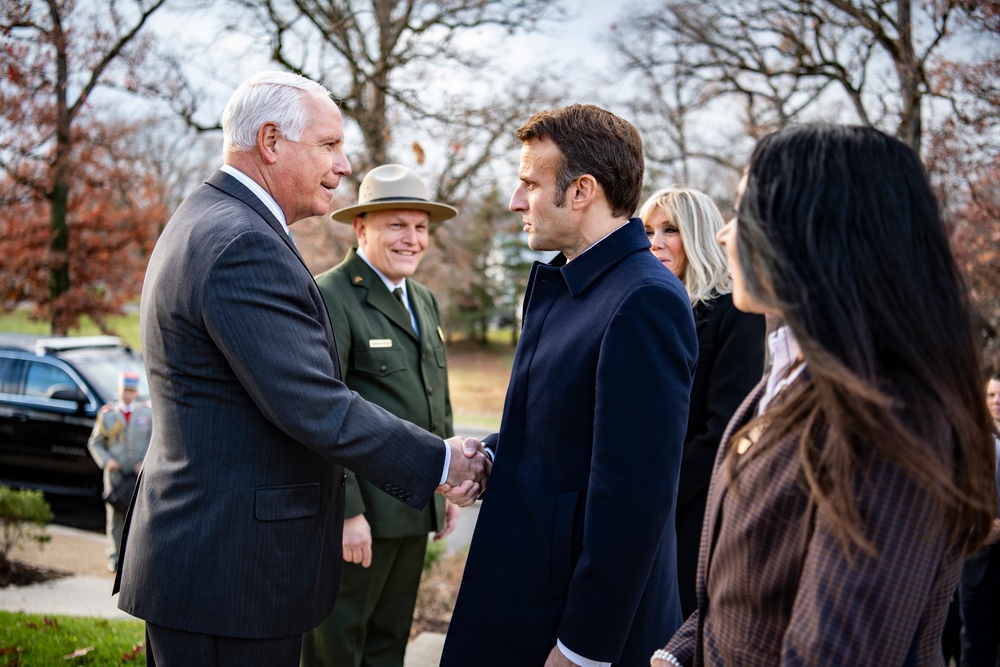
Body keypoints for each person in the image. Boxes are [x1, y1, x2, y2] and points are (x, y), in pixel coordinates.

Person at [113, 70, 489, 667]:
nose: (341, 165)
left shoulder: (212, 218)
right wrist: (441, 461)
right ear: (270, 142)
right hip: (229, 575)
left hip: (215, 565)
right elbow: (314, 404)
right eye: (329, 145)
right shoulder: (243, 243)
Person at [652, 123, 997, 666]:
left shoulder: (887, 420)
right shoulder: (793, 372)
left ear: (813, 230)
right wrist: (678, 653)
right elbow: (753, 582)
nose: (723, 235)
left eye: (746, 212)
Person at [440, 104, 698, 667]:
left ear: (582, 190)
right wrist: (490, 456)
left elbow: (635, 498)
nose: (515, 200)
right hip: (521, 583)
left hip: (570, 622)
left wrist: (583, 648)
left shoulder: (644, 299)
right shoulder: (566, 282)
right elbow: (552, 429)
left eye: (530, 182)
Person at [302, 164, 461, 667]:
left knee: (390, 645)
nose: (411, 239)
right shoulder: (332, 295)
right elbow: (320, 409)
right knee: (337, 649)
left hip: (413, 507)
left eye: (420, 227)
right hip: (362, 516)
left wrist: (448, 481)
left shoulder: (424, 299)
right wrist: (347, 512)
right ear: (362, 228)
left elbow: (437, 396)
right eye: (397, 225)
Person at [638, 187, 765, 618]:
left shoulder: (735, 312)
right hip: (632, 503)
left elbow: (725, 429)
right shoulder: (644, 311)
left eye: (669, 230)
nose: (654, 242)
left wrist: (659, 494)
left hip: (691, 508)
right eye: (648, 230)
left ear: (698, 235)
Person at [86, 370, 151, 573]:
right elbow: (94, 443)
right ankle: (114, 558)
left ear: (136, 392)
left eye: (132, 391)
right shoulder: (107, 414)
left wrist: (145, 462)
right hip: (115, 475)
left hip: (138, 475)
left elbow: (154, 443)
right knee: (114, 518)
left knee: (138, 516)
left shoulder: (147, 414)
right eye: (125, 390)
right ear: (118, 390)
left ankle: (133, 558)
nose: (128, 395)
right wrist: (107, 461)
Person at [958, 372, 1000, 667]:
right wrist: (978, 529)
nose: (997, 402)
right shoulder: (969, 444)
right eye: (991, 395)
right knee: (974, 646)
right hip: (977, 560)